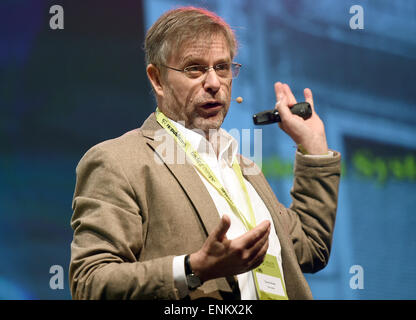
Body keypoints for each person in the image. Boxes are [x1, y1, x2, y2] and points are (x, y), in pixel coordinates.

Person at [69, 6, 341, 300]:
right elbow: (90, 283)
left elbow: (311, 248)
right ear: (157, 79)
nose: (213, 83)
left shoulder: (245, 170)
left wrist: (314, 148)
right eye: (194, 68)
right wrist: (193, 268)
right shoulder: (119, 162)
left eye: (222, 67)